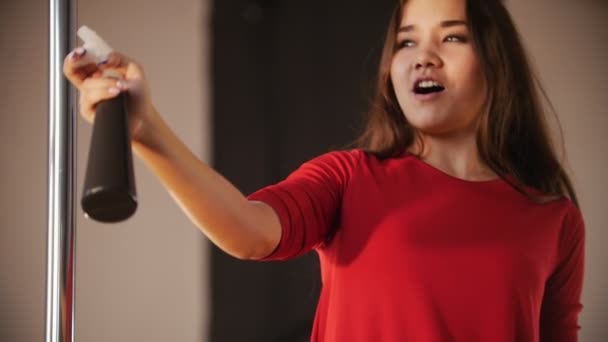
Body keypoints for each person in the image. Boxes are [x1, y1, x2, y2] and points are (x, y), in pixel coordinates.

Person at [63, 0, 585, 341]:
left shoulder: (554, 219)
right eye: (406, 40)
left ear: (496, 61)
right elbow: (248, 232)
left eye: (452, 37)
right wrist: (145, 128)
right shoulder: (349, 177)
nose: (423, 55)